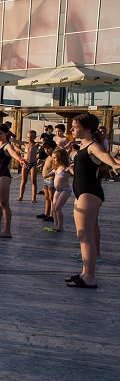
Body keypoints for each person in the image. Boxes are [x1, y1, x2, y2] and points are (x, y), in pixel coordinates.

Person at [66, 113, 120, 288]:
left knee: (85, 236)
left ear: (87, 129)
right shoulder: (83, 146)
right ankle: (84, 272)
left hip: (89, 193)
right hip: (83, 194)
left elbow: (104, 155)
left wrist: (114, 164)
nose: (72, 129)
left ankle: (89, 278)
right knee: (82, 236)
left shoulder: (93, 146)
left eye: (75, 126)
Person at [44, 149, 72, 233]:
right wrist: (45, 176)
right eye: (53, 158)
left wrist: (73, 169)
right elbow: (50, 173)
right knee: (54, 208)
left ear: (61, 158)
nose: (53, 160)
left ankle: (60, 225)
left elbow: (73, 171)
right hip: (58, 190)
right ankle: (56, 224)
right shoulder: (56, 168)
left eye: (55, 158)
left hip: (65, 190)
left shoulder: (66, 169)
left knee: (58, 207)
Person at [17, 130, 41, 203]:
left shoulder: (36, 144)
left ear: (35, 137)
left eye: (31, 137)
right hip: (26, 163)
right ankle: (21, 196)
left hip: (33, 163)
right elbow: (15, 143)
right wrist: (20, 151)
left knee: (33, 181)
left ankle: (34, 198)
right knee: (23, 181)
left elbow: (45, 144)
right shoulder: (25, 144)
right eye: (28, 137)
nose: (29, 139)